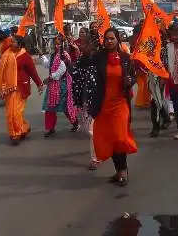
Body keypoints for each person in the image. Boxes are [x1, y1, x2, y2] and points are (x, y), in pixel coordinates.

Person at [88, 28, 137, 186]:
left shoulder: (125, 58)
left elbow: (133, 76)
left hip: (120, 103)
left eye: (112, 38)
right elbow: (85, 65)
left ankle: (123, 170)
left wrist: (131, 81)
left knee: (119, 137)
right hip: (103, 105)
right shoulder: (98, 57)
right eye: (107, 39)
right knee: (110, 140)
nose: (109, 41)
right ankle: (118, 171)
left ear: (118, 40)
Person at [0, 36, 44, 145]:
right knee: (10, 113)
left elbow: (32, 72)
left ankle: (15, 134)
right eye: (11, 42)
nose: (11, 43)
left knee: (15, 112)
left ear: (20, 44)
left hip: (21, 88)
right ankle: (23, 128)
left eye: (14, 42)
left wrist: (39, 84)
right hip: (9, 88)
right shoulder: (6, 54)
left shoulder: (25, 56)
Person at [70, 34, 100, 169]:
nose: (80, 46)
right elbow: (75, 76)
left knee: (91, 131)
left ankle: (95, 159)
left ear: (91, 45)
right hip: (82, 101)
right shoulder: (81, 59)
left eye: (83, 44)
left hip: (95, 100)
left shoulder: (98, 60)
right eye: (80, 43)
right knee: (86, 129)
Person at [42, 34, 78, 136]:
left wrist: (49, 78)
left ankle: (75, 122)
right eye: (55, 44)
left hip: (62, 85)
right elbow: (48, 64)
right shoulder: (54, 55)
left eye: (59, 44)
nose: (57, 46)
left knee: (66, 107)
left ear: (63, 44)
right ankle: (50, 128)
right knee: (49, 107)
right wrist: (43, 57)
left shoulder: (64, 55)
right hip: (52, 85)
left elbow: (61, 71)